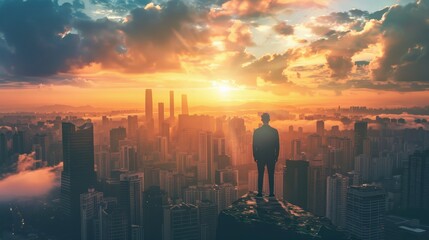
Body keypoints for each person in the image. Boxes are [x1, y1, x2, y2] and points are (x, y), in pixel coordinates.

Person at [252, 113, 279, 197]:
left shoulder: (257, 131)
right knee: (271, 174)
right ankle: (271, 193)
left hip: (260, 156)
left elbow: (254, 145)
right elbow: (277, 145)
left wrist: (255, 156)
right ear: (269, 119)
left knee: (260, 174)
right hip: (271, 156)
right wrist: (276, 156)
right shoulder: (274, 131)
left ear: (262, 120)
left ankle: (260, 193)